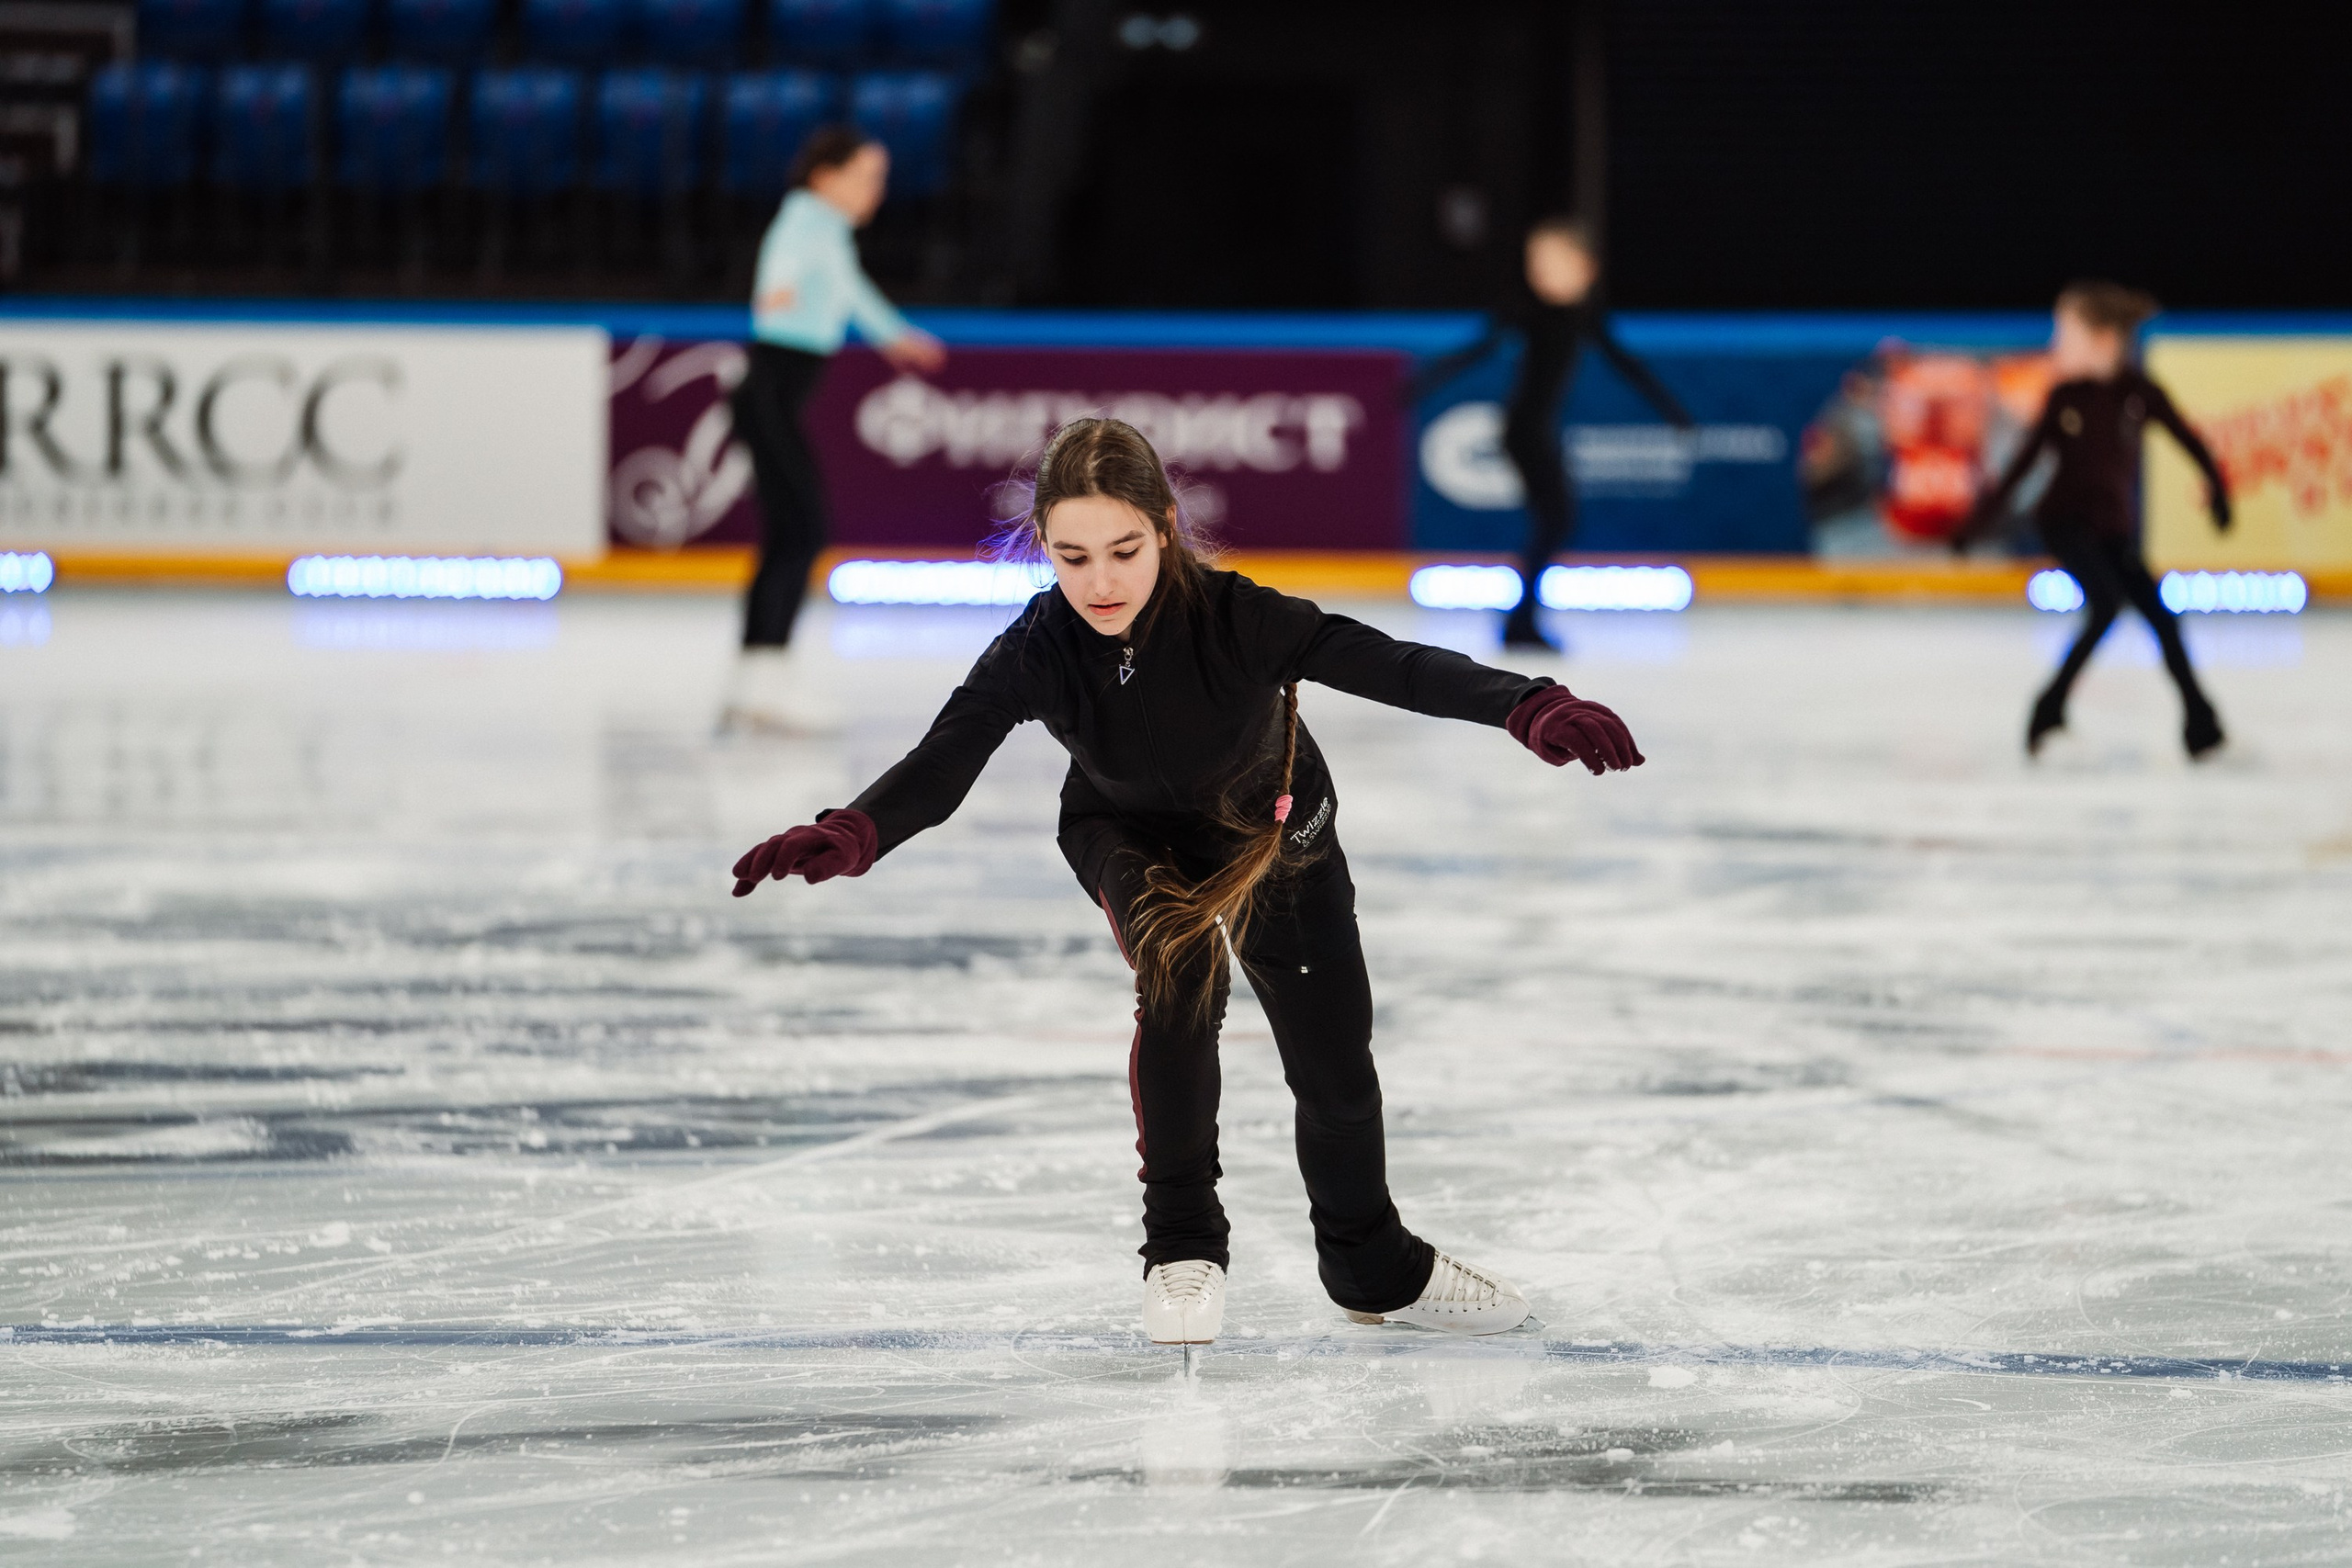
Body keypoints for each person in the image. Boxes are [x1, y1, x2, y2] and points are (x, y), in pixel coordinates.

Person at [729, 417, 1648, 1345]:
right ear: (1040, 541)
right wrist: (854, 831)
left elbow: (1392, 665)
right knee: (1180, 979)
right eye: (1072, 554)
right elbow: (943, 760)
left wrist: (1528, 705)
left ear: (1165, 528)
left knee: (1333, 1069)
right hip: (1124, 835)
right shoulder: (1038, 648)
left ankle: (1371, 1264)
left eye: (1124, 550)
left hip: (1276, 836)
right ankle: (1181, 1249)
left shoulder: (1238, 618)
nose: (1099, 581)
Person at [721, 125, 947, 735]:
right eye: (868, 176)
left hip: (771, 396)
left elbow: (849, 291)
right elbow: (785, 267)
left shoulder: (827, 229)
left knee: (792, 534)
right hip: (768, 391)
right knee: (801, 530)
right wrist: (777, 293)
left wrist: (895, 337)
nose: (877, 190)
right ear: (827, 178)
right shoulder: (806, 218)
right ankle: (761, 684)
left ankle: (758, 684)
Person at [1955, 281, 2233, 759]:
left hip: (2113, 531)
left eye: (2064, 335)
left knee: (2162, 620)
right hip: (2063, 522)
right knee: (2106, 605)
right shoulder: (2065, 397)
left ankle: (2200, 725)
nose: (2053, 346)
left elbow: (2190, 441)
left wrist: (2219, 491)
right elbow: (2023, 463)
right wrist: (1977, 522)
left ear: (2103, 340)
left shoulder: (2140, 394)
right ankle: (2049, 708)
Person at [1408, 216, 1693, 649]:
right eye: (1536, 262)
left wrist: (1673, 411)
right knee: (1555, 522)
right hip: (1523, 430)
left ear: (1586, 268)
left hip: (1534, 430)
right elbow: (1474, 351)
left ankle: (1521, 620)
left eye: (1554, 262)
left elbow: (1627, 365)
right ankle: (1519, 622)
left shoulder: (1582, 316)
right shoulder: (1528, 311)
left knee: (1555, 522)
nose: (1541, 271)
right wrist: (1418, 386)